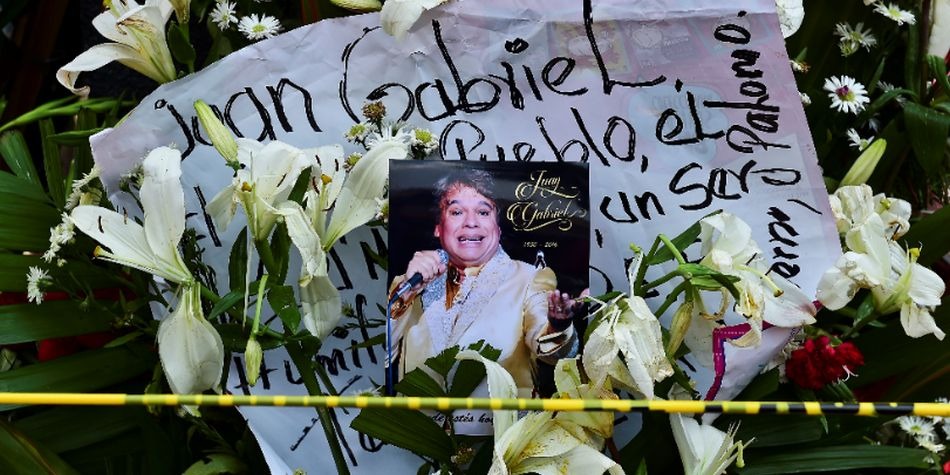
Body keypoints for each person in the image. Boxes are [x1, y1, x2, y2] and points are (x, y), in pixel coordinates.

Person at [389, 168, 585, 397]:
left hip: (499, 419)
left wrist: (557, 327)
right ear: (438, 228)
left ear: (497, 229)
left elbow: (553, 352)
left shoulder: (529, 278)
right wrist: (408, 291)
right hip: (417, 419)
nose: (471, 222)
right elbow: (382, 355)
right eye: (456, 212)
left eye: (483, 212)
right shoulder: (408, 284)